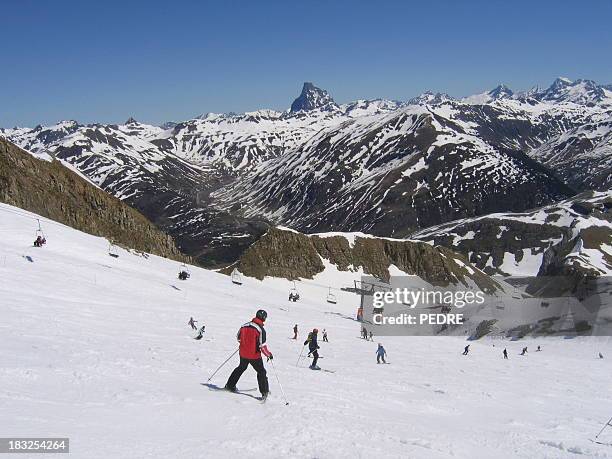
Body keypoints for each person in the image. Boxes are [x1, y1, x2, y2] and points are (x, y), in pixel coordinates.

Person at [225, 309, 273, 399]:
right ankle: (264, 392)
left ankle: (230, 385)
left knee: (241, 367)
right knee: (261, 372)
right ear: (263, 318)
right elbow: (262, 346)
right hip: (254, 355)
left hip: (243, 353)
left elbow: (238, 337)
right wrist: (269, 354)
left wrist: (244, 344)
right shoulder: (260, 329)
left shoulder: (244, 325)